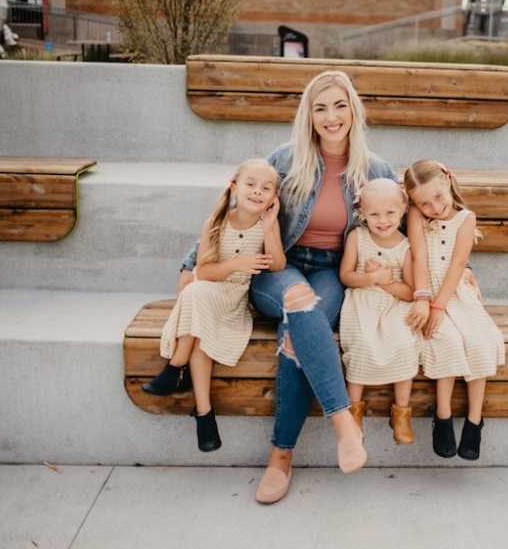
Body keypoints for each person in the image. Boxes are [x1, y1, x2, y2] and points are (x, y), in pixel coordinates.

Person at [177, 70, 397, 504]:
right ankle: (343, 423)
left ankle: (280, 456)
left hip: (333, 272)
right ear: (308, 115)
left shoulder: (376, 170)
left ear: (353, 109)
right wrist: (191, 265)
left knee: (302, 321)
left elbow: (406, 228)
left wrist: (457, 272)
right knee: (299, 302)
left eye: (339, 106)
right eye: (320, 108)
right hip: (277, 266)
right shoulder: (284, 159)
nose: (331, 117)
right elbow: (233, 209)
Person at [147, 159, 285, 453]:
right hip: (208, 292)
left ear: (274, 197)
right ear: (234, 186)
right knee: (198, 301)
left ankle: (175, 369)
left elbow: (278, 266)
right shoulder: (216, 221)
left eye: (266, 188)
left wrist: (271, 229)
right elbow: (205, 271)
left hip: (233, 301)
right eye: (250, 184)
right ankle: (204, 413)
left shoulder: (265, 225)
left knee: (195, 297)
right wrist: (238, 263)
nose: (257, 192)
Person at [404, 159, 505, 461]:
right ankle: (443, 416)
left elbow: (459, 264)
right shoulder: (415, 215)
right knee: (444, 340)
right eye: (424, 203)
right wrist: (425, 299)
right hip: (426, 290)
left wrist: (440, 304)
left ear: (448, 181)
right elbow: (419, 256)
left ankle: (475, 421)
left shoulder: (466, 218)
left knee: (479, 342)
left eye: (437, 197)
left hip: (454, 291)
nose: (434, 207)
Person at [338, 178, 418, 444]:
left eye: (390, 213)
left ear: (403, 209)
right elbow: (346, 276)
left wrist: (385, 281)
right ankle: (353, 412)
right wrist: (371, 280)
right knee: (361, 343)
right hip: (362, 301)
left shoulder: (406, 246)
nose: (382, 220)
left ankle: (401, 413)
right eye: (374, 214)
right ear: (362, 213)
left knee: (405, 343)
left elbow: (409, 291)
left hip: (394, 303)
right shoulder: (357, 238)